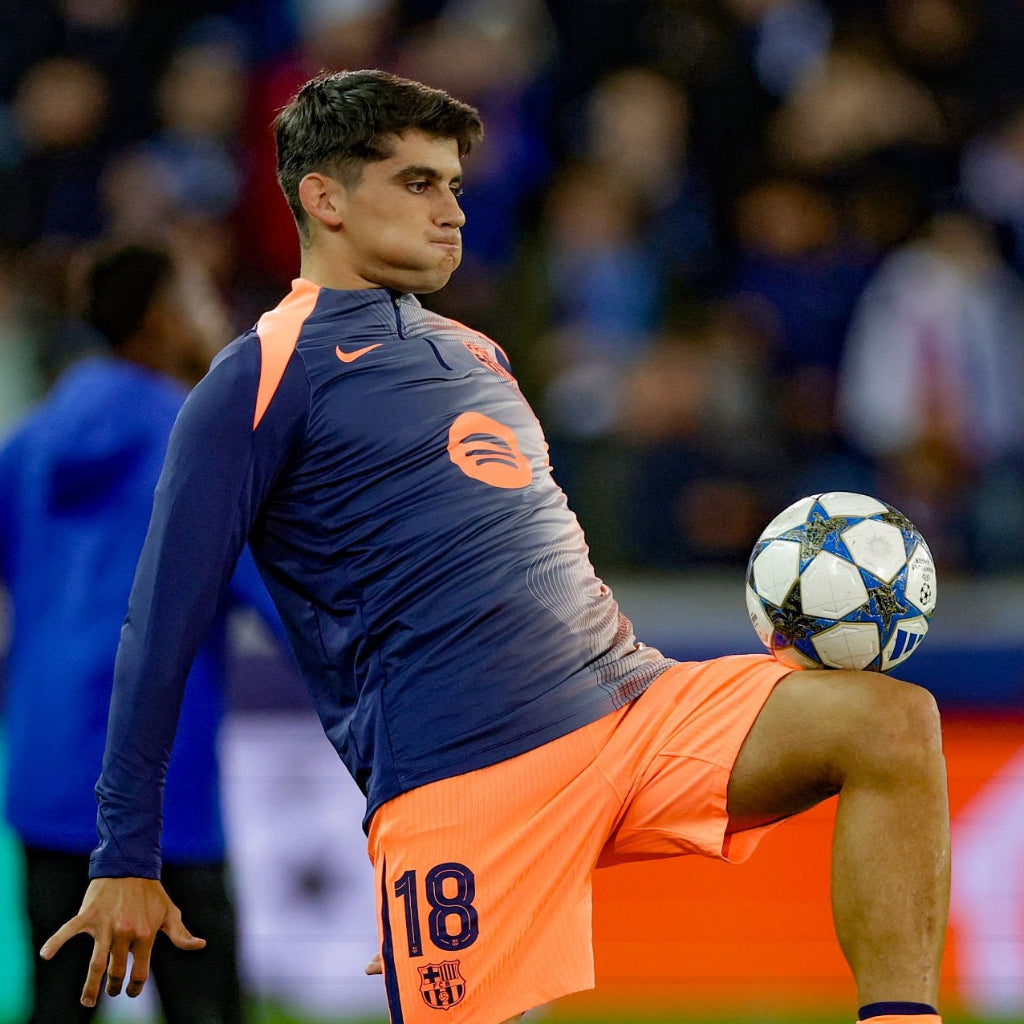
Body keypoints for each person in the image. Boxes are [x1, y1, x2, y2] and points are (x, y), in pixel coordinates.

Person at [40, 71, 950, 1024]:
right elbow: (159, 628)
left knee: (887, 723)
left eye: (457, 188)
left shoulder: (480, 352)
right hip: (465, 788)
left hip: (634, 706)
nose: (453, 213)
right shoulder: (258, 377)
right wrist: (125, 858)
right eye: (420, 183)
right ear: (325, 198)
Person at [0, 242, 283, 1024]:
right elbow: (291, 610)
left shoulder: (29, 444)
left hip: (49, 771)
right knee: (206, 1006)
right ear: (160, 320)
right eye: (197, 297)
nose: (215, 319)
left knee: (60, 1006)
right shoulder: (206, 446)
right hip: (162, 786)